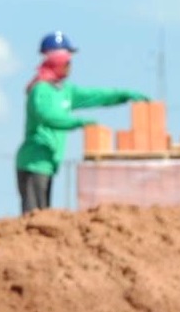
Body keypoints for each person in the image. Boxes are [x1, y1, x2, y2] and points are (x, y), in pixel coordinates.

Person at [15, 33, 147, 214]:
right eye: (67, 62)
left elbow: (96, 95)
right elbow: (49, 117)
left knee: (44, 213)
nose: (70, 67)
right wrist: (79, 122)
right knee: (34, 215)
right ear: (57, 62)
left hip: (49, 162)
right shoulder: (40, 91)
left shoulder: (65, 91)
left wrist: (123, 95)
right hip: (34, 162)